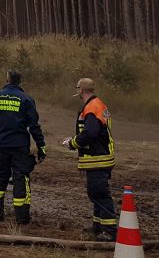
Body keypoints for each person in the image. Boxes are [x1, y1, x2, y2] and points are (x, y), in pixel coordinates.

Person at [0, 70, 47, 224]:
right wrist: (41, 145)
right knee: (21, 179)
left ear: (7, 79)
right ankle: (21, 217)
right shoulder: (26, 99)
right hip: (20, 147)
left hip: (0, 145)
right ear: (20, 82)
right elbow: (34, 126)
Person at [61, 78, 117, 241]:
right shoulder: (100, 104)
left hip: (98, 158)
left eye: (77, 88)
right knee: (97, 192)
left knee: (98, 193)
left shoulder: (91, 108)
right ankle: (98, 227)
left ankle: (110, 231)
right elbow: (99, 131)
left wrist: (73, 143)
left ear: (81, 90)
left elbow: (90, 133)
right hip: (103, 156)